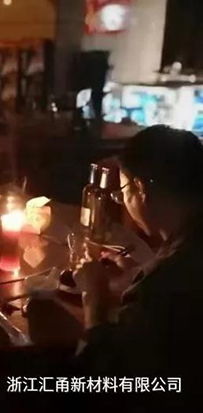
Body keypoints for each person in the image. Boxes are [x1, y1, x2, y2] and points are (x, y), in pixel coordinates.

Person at [74, 125, 203, 384]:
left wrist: (94, 301)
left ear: (140, 188)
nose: (123, 201)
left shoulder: (160, 287)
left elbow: (104, 380)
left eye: (122, 192)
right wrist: (142, 273)